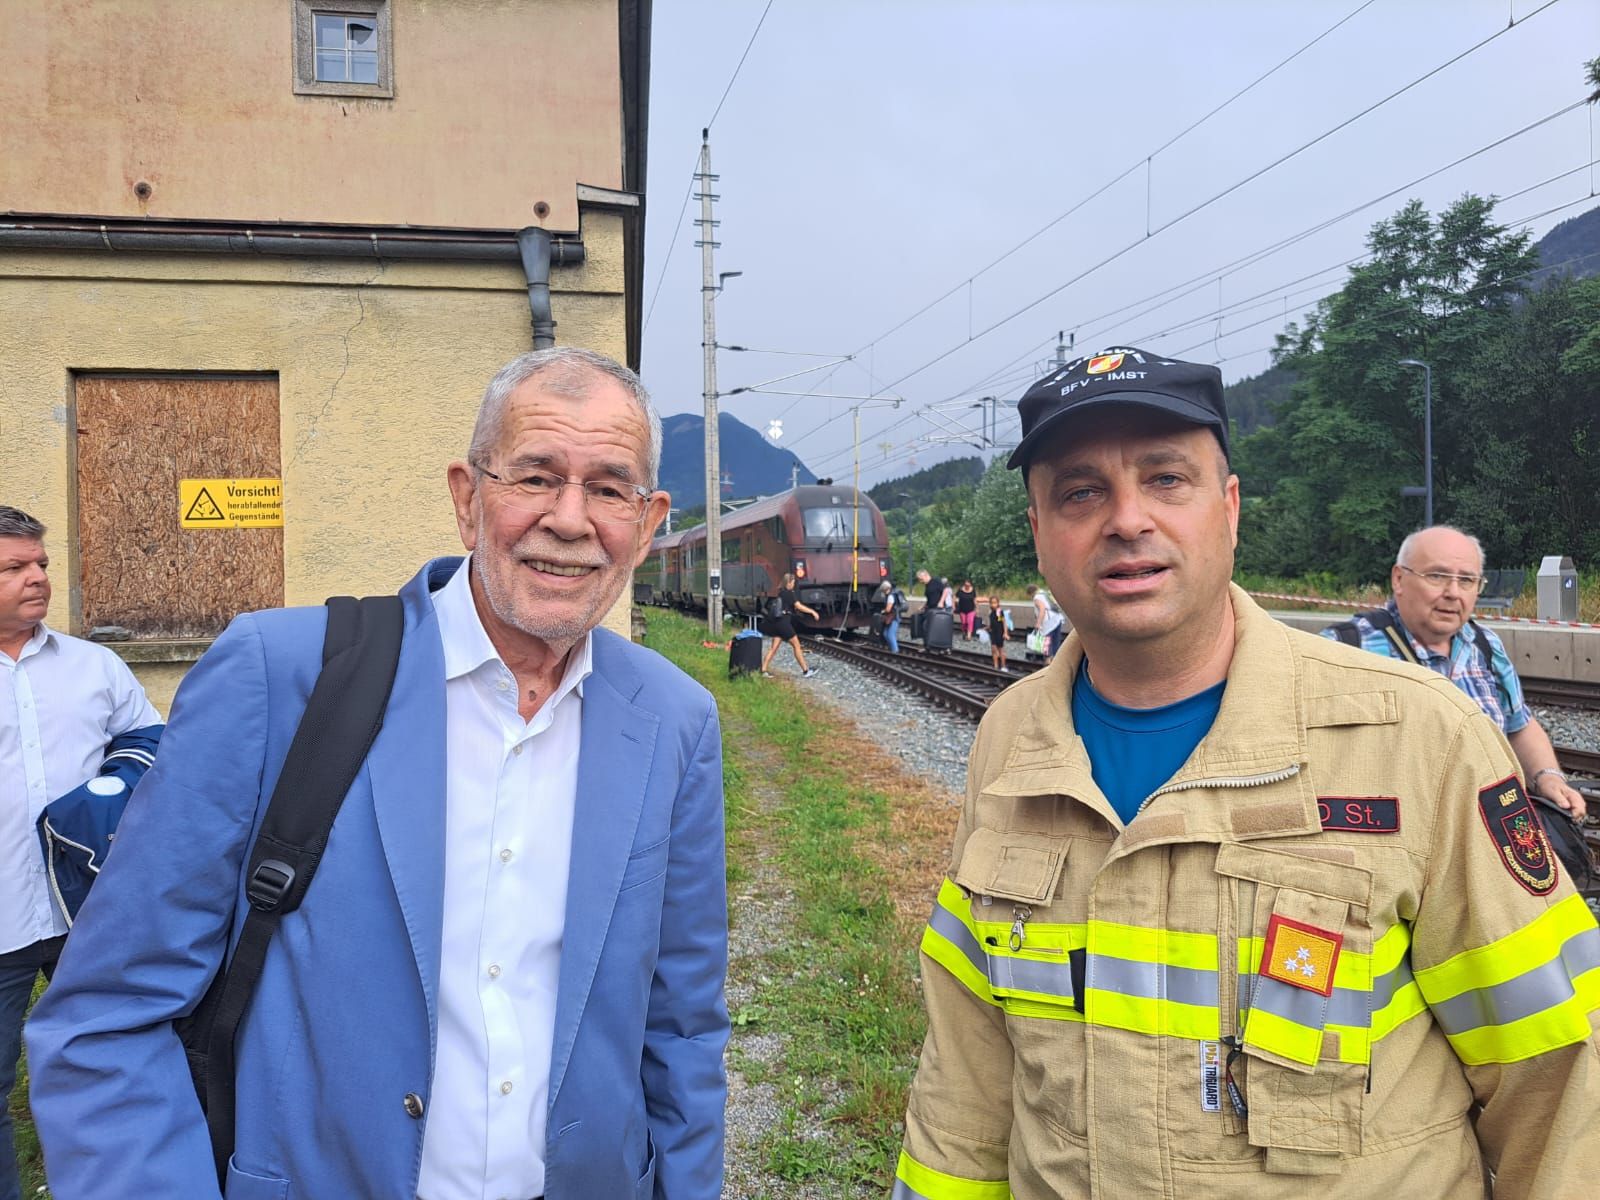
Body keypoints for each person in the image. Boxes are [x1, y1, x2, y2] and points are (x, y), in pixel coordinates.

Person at [894, 345, 1600, 1198]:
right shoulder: (1012, 738)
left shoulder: (1419, 737)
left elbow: (1558, 1080)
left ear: (1228, 510)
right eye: (1081, 492)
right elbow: (968, 1069)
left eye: (1165, 479)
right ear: (1041, 534)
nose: (1126, 519)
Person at [26, 348, 730, 1199]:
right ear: (468, 500)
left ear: (648, 522)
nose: (571, 519)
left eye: (609, 489)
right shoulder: (280, 676)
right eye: (535, 477)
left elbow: (682, 1027)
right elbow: (108, 1018)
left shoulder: (675, 720)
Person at [0, 507, 162, 1200]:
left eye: (40, 564)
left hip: (91, 912)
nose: (38, 579)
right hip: (2, 919)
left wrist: (112, 789)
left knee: (115, 1066)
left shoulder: (96, 665)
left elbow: (151, 746)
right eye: (15, 568)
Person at [1321, 525, 1585, 819]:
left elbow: (1519, 726)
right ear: (1399, 579)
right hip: (1397, 838)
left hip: (1488, 829)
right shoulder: (1343, 649)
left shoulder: (1486, 646)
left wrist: (1547, 776)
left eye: (1467, 580)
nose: (1453, 593)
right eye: (1437, 576)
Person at [761, 572, 819, 678]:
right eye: (793, 582)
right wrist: (812, 612)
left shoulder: (781, 593)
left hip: (777, 624)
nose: (793, 584)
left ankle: (763, 670)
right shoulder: (789, 593)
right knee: (796, 645)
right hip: (784, 624)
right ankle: (806, 671)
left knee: (773, 648)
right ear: (788, 583)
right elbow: (798, 606)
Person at [1026, 582, 1065, 662]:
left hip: (1048, 623)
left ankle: (1048, 664)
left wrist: (1038, 623)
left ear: (1030, 592)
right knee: (1055, 643)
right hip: (1057, 619)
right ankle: (1055, 663)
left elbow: (1042, 609)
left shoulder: (1037, 597)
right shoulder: (1044, 593)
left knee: (1046, 645)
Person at [876, 579, 902, 654]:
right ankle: (892, 649)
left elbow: (888, 609)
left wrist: (882, 611)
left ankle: (895, 651)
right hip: (891, 618)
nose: (883, 592)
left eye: (883, 590)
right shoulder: (891, 595)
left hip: (894, 617)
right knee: (885, 633)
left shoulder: (890, 596)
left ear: (885, 589)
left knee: (890, 634)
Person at [985, 595, 1009, 672]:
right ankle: (995, 665)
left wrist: (1005, 633)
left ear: (998, 603)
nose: (993, 605)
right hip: (993, 632)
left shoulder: (999, 612)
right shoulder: (991, 612)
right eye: (991, 603)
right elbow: (992, 622)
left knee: (1001, 649)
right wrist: (987, 627)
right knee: (994, 649)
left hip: (999, 632)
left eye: (995, 603)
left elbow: (1003, 622)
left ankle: (1003, 665)